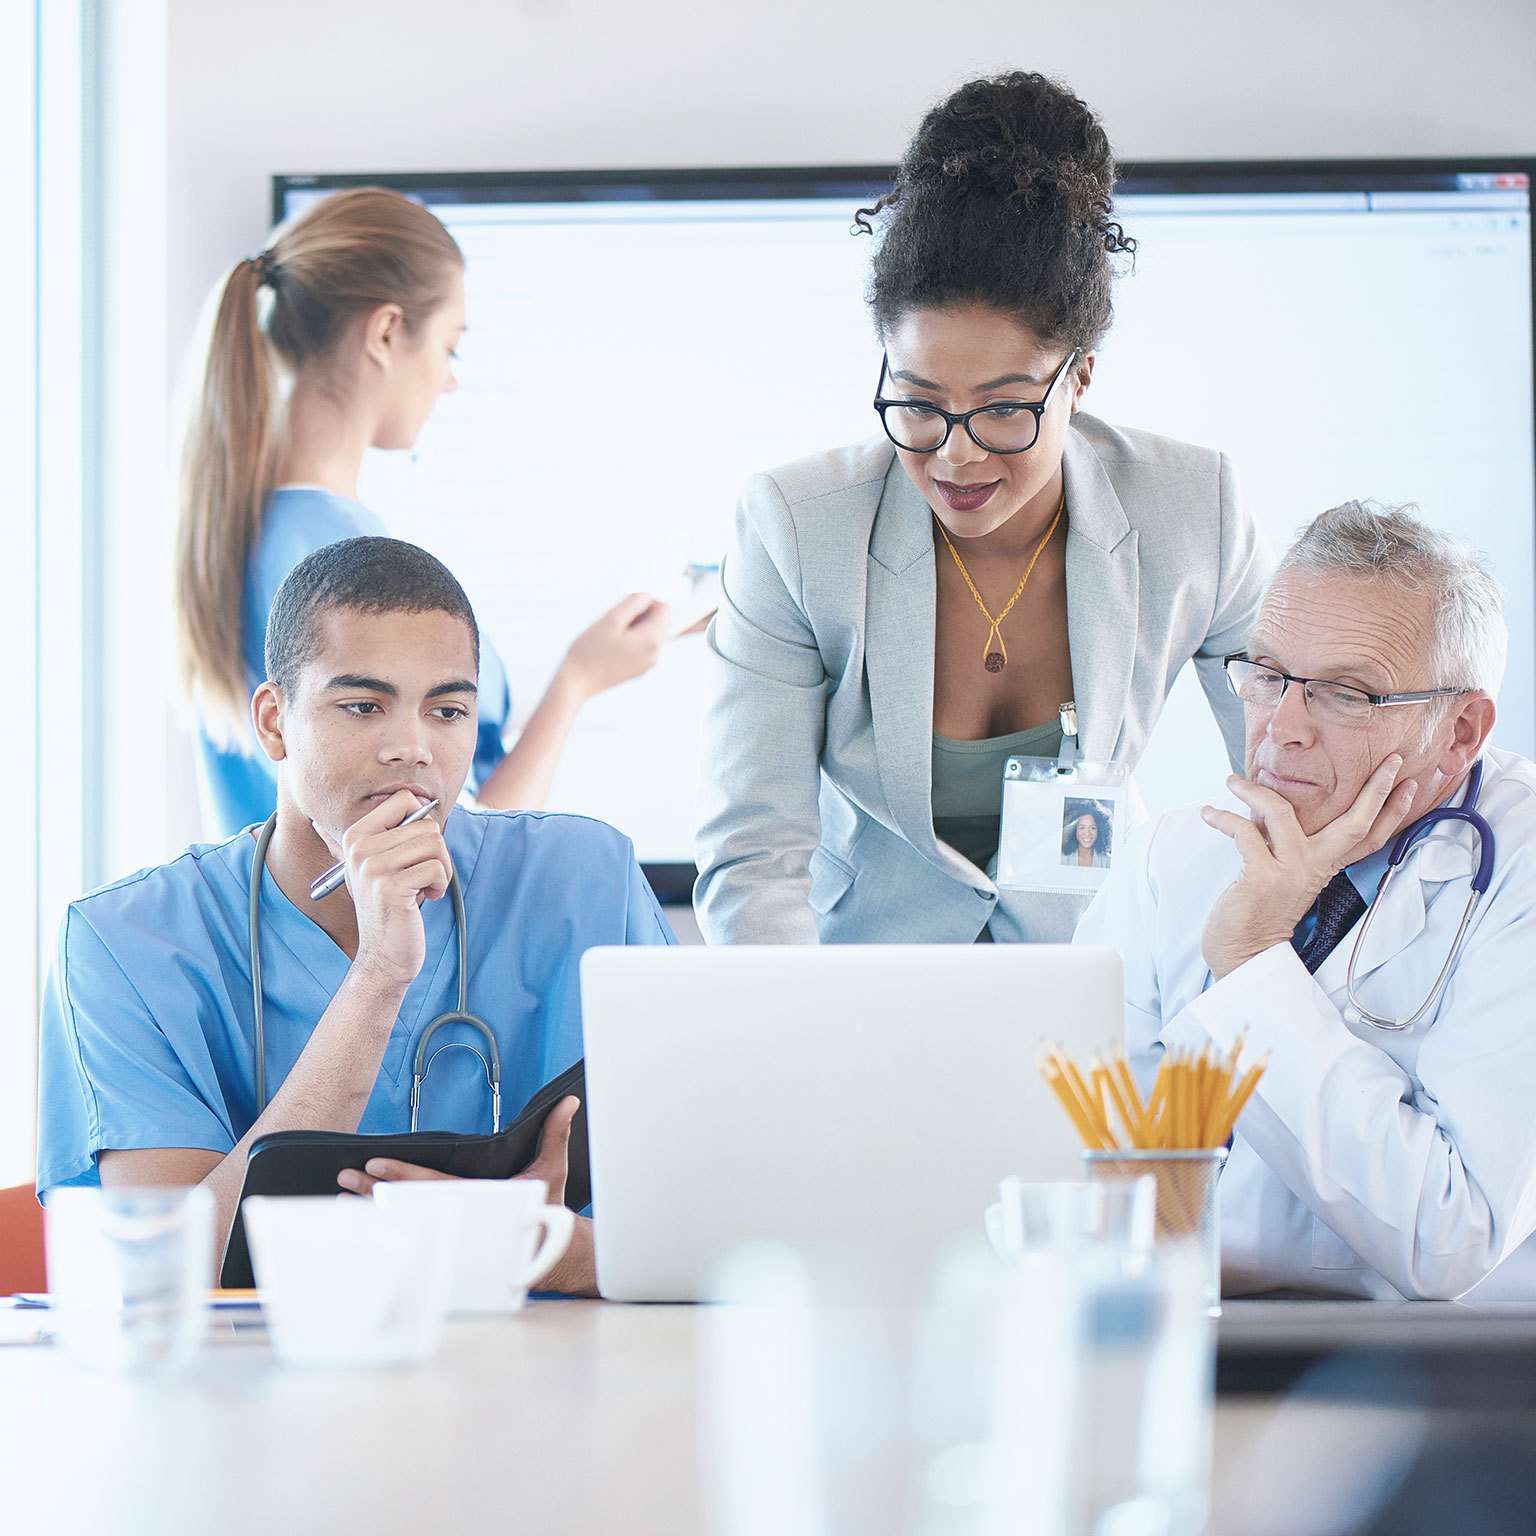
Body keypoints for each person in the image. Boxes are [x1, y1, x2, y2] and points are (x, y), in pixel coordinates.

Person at [694, 72, 1273, 945]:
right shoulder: (796, 526)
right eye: (919, 401)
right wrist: (795, 1048)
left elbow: (1294, 777)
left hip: (1100, 967)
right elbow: (755, 854)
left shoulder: (1196, 510)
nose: (955, 452)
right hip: (866, 982)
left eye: (1005, 408)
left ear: (1079, 377)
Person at [38, 537, 675, 1292]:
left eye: (447, 710)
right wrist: (380, 974)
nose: (411, 748)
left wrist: (543, 1249)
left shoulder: (586, 881)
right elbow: (157, 1278)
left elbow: (726, 1234)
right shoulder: (127, 942)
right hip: (252, 1397)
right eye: (363, 706)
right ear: (274, 723)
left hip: (546, 1381)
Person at [1076, 502, 1536, 1300]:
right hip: (1174, 1324)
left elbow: (1453, 1239)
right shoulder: (1172, 857)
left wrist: (1254, 960)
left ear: (1461, 729)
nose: (1281, 727)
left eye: (1345, 693)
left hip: (1403, 1373)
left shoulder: (1517, 875)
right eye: (1270, 675)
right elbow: (1081, 1148)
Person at [176, 185, 672, 836]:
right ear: (386, 332)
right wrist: (577, 684)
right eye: (449, 347)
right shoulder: (336, 563)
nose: (450, 379)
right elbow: (438, 858)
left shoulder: (272, 535)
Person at [1061, 802, 1111, 868]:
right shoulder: (1062, 859)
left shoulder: (1108, 861)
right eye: (1082, 828)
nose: (1087, 833)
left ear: (1099, 831)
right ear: (1074, 830)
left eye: (1093, 828)